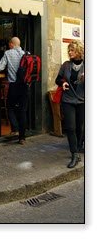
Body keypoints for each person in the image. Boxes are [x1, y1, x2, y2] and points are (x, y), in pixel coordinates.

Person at [0, 37, 27, 144]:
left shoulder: (8, 53)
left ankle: (15, 129)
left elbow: (0, 67)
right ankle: (22, 137)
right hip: (24, 86)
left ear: (11, 44)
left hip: (14, 85)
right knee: (23, 111)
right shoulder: (25, 53)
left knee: (10, 107)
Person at [55, 40, 84, 168]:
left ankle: (78, 147)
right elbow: (58, 79)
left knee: (80, 127)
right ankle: (74, 154)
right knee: (70, 128)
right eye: (69, 50)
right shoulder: (66, 65)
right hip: (68, 100)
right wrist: (63, 83)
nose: (70, 52)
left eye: (72, 50)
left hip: (83, 100)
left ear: (79, 51)